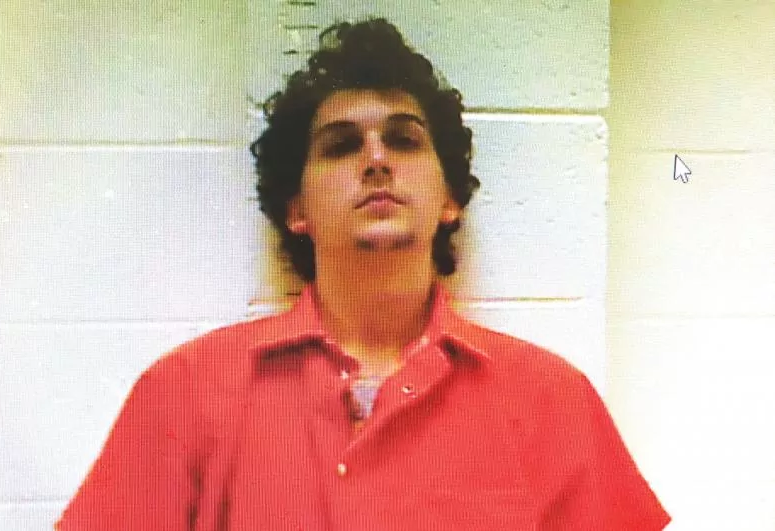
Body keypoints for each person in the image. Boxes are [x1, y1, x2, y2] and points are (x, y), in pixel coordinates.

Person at [56, 18, 670, 531]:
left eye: (404, 140)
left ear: (449, 199)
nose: (376, 159)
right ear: (296, 209)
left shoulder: (551, 401)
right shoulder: (185, 394)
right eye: (341, 146)